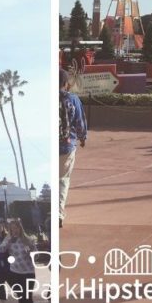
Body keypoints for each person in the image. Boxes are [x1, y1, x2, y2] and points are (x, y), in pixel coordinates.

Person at [58, 69, 87, 227]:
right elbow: (80, 122)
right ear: (66, 83)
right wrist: (82, 138)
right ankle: (58, 212)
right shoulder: (72, 99)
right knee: (62, 180)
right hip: (66, 145)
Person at [0, 219, 38, 303]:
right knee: (21, 298)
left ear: (20, 228)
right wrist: (7, 240)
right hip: (15, 272)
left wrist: (31, 252)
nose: (14, 231)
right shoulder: (9, 240)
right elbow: (1, 249)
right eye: (12, 229)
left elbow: (36, 255)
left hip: (28, 272)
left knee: (27, 297)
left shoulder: (28, 240)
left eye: (16, 228)